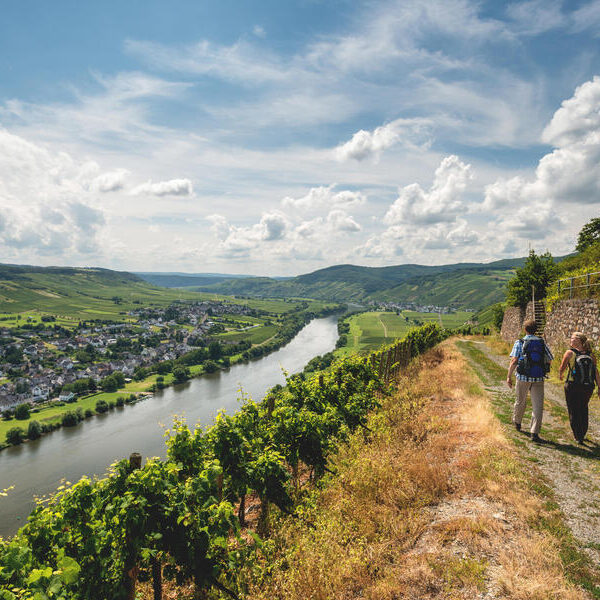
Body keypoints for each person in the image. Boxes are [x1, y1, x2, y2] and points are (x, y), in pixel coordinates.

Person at [506, 319, 553, 443]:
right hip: (538, 378)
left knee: (520, 401)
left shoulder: (520, 342)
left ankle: (517, 422)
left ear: (525, 329)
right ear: (536, 329)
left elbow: (514, 360)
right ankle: (534, 432)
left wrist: (509, 376)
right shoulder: (542, 342)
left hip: (523, 377)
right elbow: (549, 359)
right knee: (537, 405)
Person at [558, 332, 600, 444]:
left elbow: (562, 367)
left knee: (573, 409)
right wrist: (599, 386)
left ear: (578, 341)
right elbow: (595, 372)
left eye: (572, 338)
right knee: (583, 407)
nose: (570, 340)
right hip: (588, 387)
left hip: (573, 385)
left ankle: (578, 435)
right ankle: (583, 432)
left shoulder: (569, 353)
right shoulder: (591, 355)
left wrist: (560, 374)